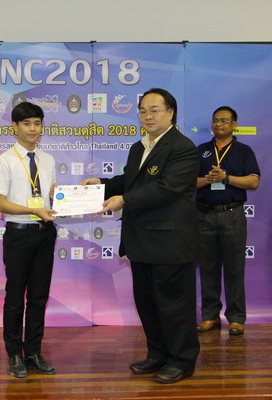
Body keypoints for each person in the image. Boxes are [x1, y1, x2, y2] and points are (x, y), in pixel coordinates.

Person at [80, 88, 200, 384]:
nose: (148, 116)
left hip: (170, 242)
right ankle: (158, 354)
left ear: (170, 112)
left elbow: (166, 188)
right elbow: (132, 181)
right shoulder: (139, 146)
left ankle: (181, 360)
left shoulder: (182, 147)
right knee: (148, 303)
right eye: (143, 111)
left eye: (154, 110)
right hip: (140, 241)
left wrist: (124, 200)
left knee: (174, 305)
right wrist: (102, 185)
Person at [0, 102, 58, 378]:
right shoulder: (4, 161)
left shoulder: (48, 160)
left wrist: (58, 197)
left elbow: (50, 197)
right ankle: (14, 353)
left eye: (37, 123)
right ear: (15, 127)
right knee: (16, 296)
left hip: (45, 233)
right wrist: (33, 209)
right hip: (18, 234)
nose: (33, 129)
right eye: (27, 123)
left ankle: (34, 352)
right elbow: (0, 203)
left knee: (39, 297)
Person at [196, 106, 260, 336]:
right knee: (208, 269)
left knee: (234, 269)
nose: (218, 124)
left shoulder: (243, 151)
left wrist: (226, 178)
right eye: (215, 120)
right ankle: (210, 316)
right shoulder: (202, 151)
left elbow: (253, 182)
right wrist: (208, 179)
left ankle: (236, 318)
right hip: (204, 214)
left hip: (232, 214)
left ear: (234, 125)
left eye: (224, 120)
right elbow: (188, 183)